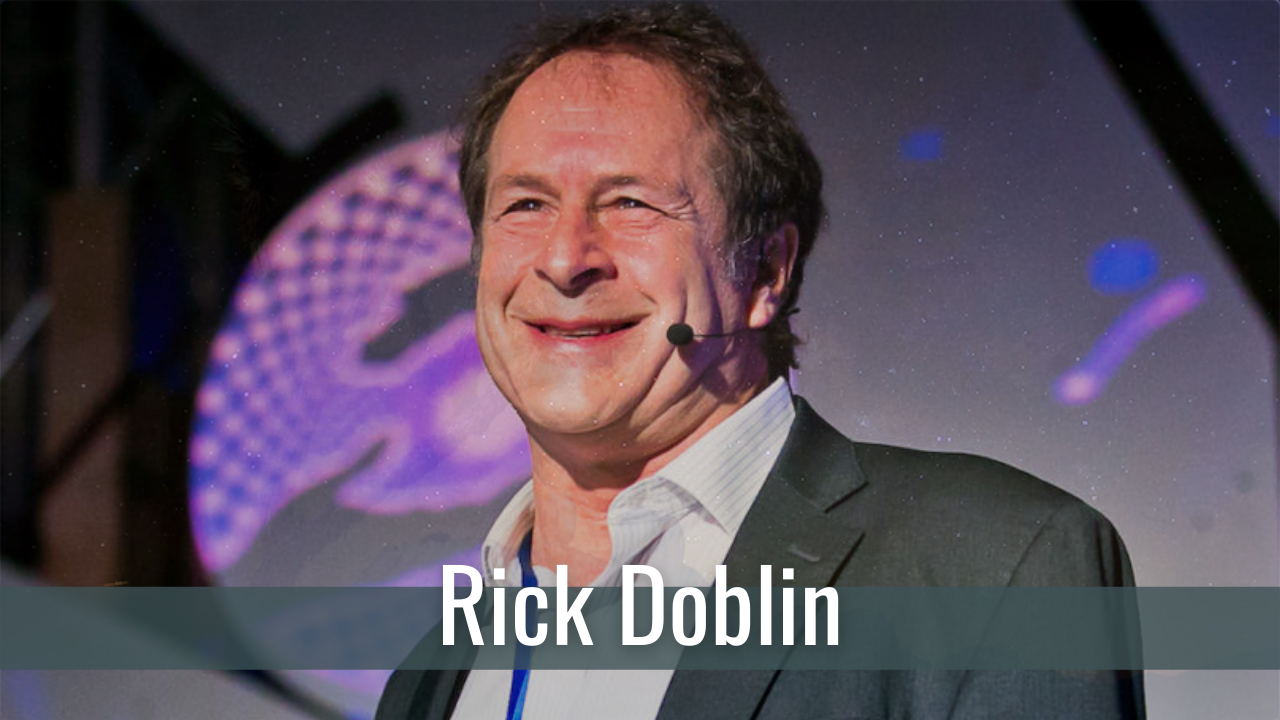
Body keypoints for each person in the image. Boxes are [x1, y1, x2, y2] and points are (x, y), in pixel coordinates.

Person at [377, 3, 1144, 718]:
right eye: (525, 204)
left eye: (630, 203)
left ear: (765, 273)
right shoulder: (429, 676)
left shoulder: (996, 567)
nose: (565, 258)